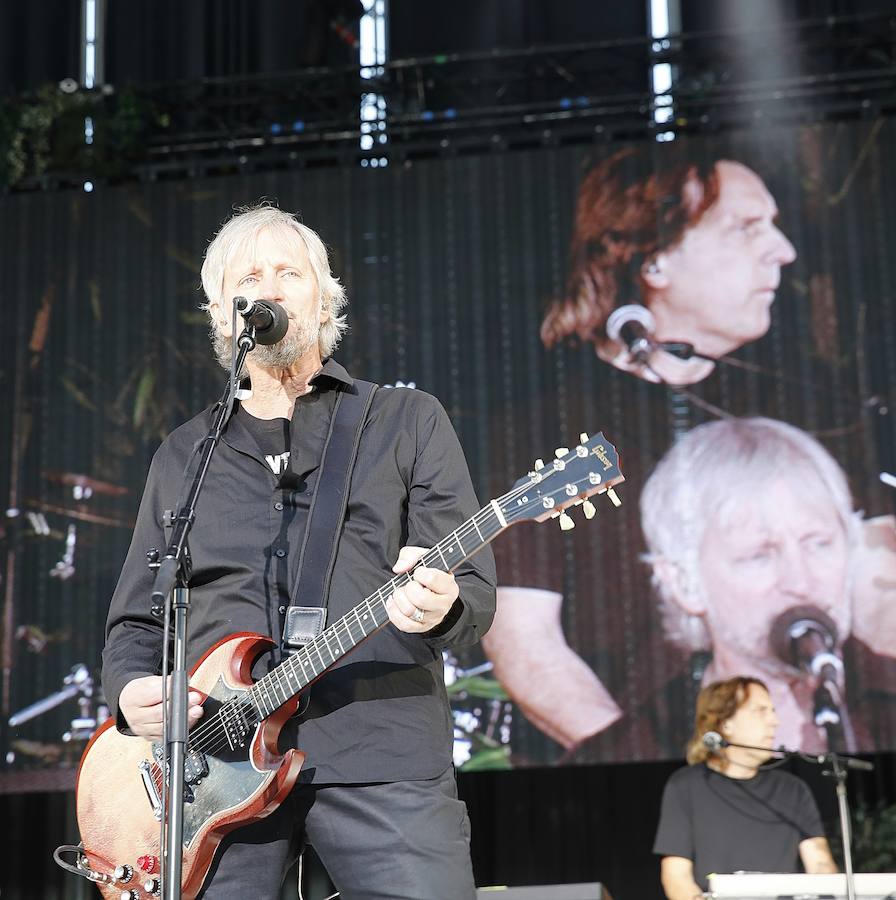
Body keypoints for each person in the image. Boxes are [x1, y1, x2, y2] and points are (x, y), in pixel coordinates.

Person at [101, 203, 497, 899]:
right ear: (225, 313)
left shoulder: (404, 421)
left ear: (325, 298)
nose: (272, 288)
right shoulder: (185, 456)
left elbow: (471, 592)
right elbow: (138, 622)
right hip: (212, 781)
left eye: (291, 271)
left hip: (381, 752)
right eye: (251, 277)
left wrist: (442, 603)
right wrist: (132, 694)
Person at [640, 416, 896, 755]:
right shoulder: (634, 747)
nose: (801, 583)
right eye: (759, 556)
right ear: (685, 583)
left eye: (818, 544)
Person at [540, 146, 796, 385]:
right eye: (745, 229)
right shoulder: (561, 405)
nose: (786, 252)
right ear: (654, 264)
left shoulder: (795, 391)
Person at [653, 676, 837, 899]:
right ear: (725, 724)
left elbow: (820, 865)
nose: (774, 721)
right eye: (760, 711)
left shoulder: (793, 790)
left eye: (773, 711)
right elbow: (676, 877)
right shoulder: (686, 786)